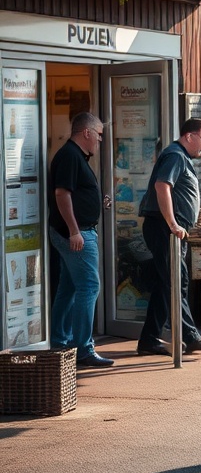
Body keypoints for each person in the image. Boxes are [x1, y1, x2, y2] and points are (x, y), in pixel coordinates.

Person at [136, 118, 201, 357]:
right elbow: (163, 186)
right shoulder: (175, 155)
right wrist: (173, 224)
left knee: (167, 284)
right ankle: (189, 337)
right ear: (189, 136)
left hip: (171, 229)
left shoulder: (180, 157)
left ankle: (149, 339)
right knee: (176, 281)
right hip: (165, 229)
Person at [47, 112, 114, 368]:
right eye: (98, 135)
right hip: (76, 235)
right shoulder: (70, 156)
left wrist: (97, 201)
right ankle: (82, 349)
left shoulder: (75, 156)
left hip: (75, 231)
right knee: (89, 286)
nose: (99, 140)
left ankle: (59, 341)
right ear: (86, 132)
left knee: (69, 288)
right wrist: (75, 231)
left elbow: (74, 193)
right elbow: (62, 194)